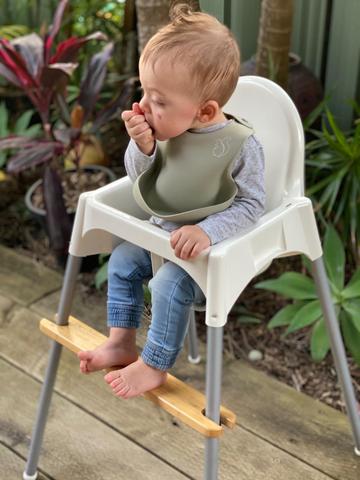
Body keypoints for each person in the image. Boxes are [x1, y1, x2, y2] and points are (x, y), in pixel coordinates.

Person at [77, 4, 265, 399]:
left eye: (158, 100)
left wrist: (207, 231)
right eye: (145, 92)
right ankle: (121, 340)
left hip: (206, 259)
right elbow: (139, 178)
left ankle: (156, 364)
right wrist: (143, 145)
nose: (145, 106)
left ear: (206, 111)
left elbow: (252, 205)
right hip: (161, 239)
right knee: (125, 259)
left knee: (166, 285)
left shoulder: (240, 147)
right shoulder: (167, 130)